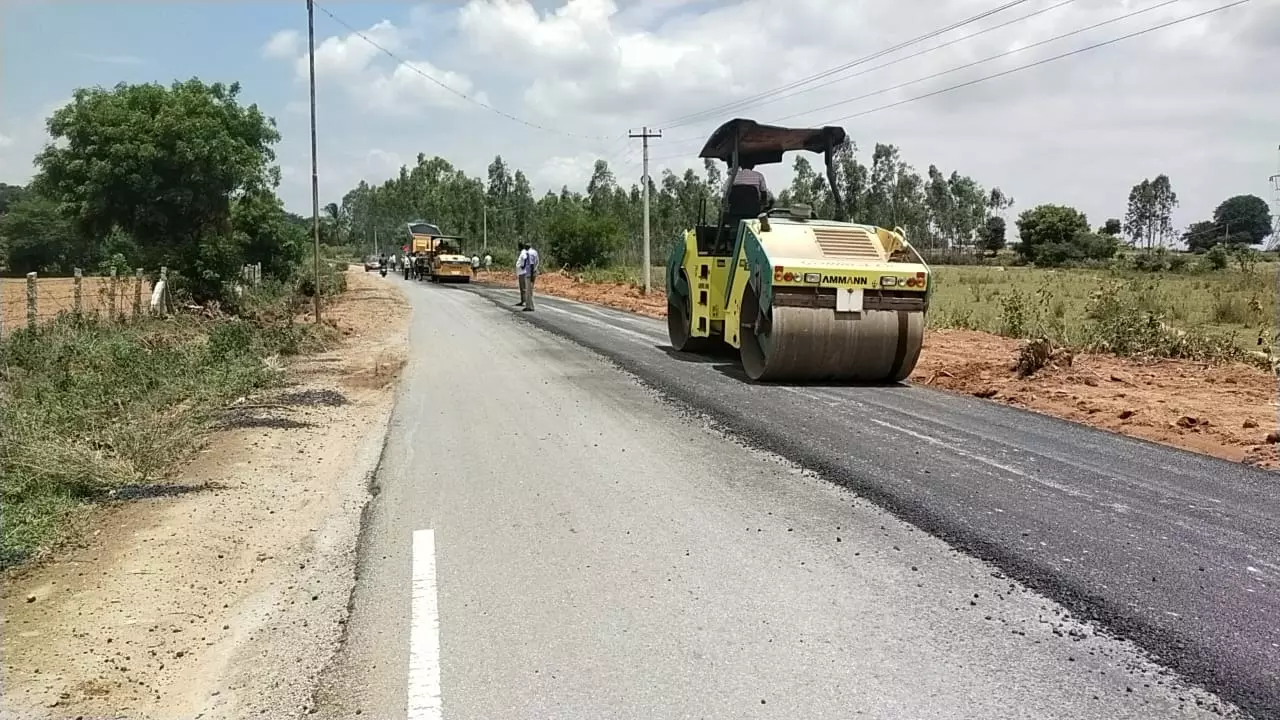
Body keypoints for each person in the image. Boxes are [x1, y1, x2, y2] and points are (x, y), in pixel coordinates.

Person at [522, 243, 539, 312]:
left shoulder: (529, 253)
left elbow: (531, 265)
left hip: (530, 274)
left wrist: (531, 276)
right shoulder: (535, 252)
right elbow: (537, 262)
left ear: (526, 247)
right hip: (533, 272)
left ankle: (530, 307)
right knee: (529, 290)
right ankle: (528, 306)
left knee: (529, 291)